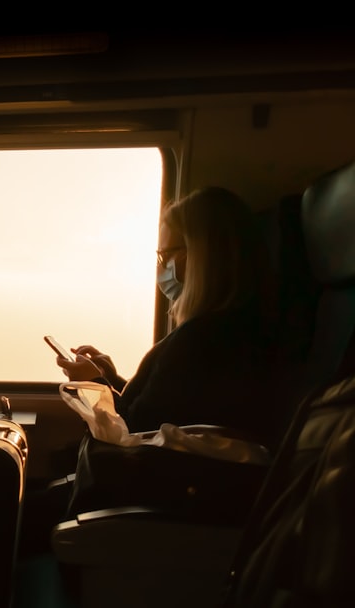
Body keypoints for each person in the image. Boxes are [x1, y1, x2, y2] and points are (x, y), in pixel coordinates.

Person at [55, 185, 279, 445]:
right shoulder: (234, 329)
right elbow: (165, 408)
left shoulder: (200, 341)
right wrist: (111, 379)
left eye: (165, 255)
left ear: (199, 257)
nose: (161, 268)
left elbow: (133, 432)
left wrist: (93, 384)